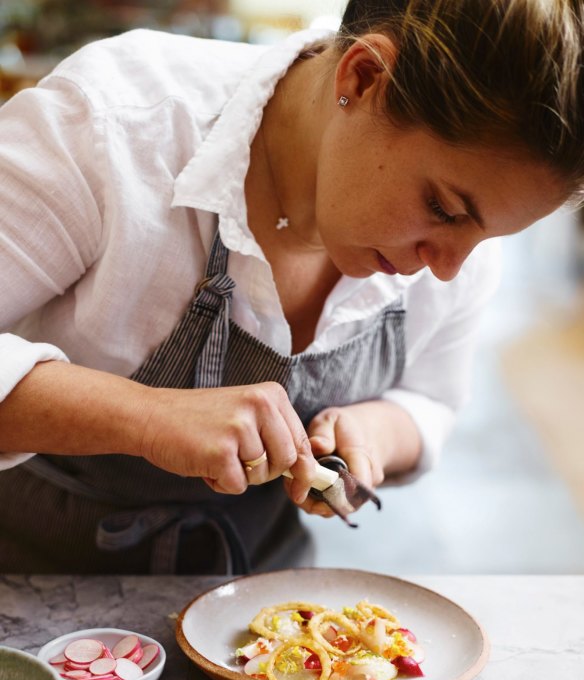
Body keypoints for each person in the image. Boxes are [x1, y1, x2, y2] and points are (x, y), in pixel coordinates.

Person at [0, 0, 581, 575]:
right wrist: (149, 417)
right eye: (443, 208)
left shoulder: (458, 245)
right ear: (364, 76)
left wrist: (373, 434)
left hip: (256, 603)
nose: (449, 268)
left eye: (490, 235)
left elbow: (430, 402)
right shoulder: (114, 125)